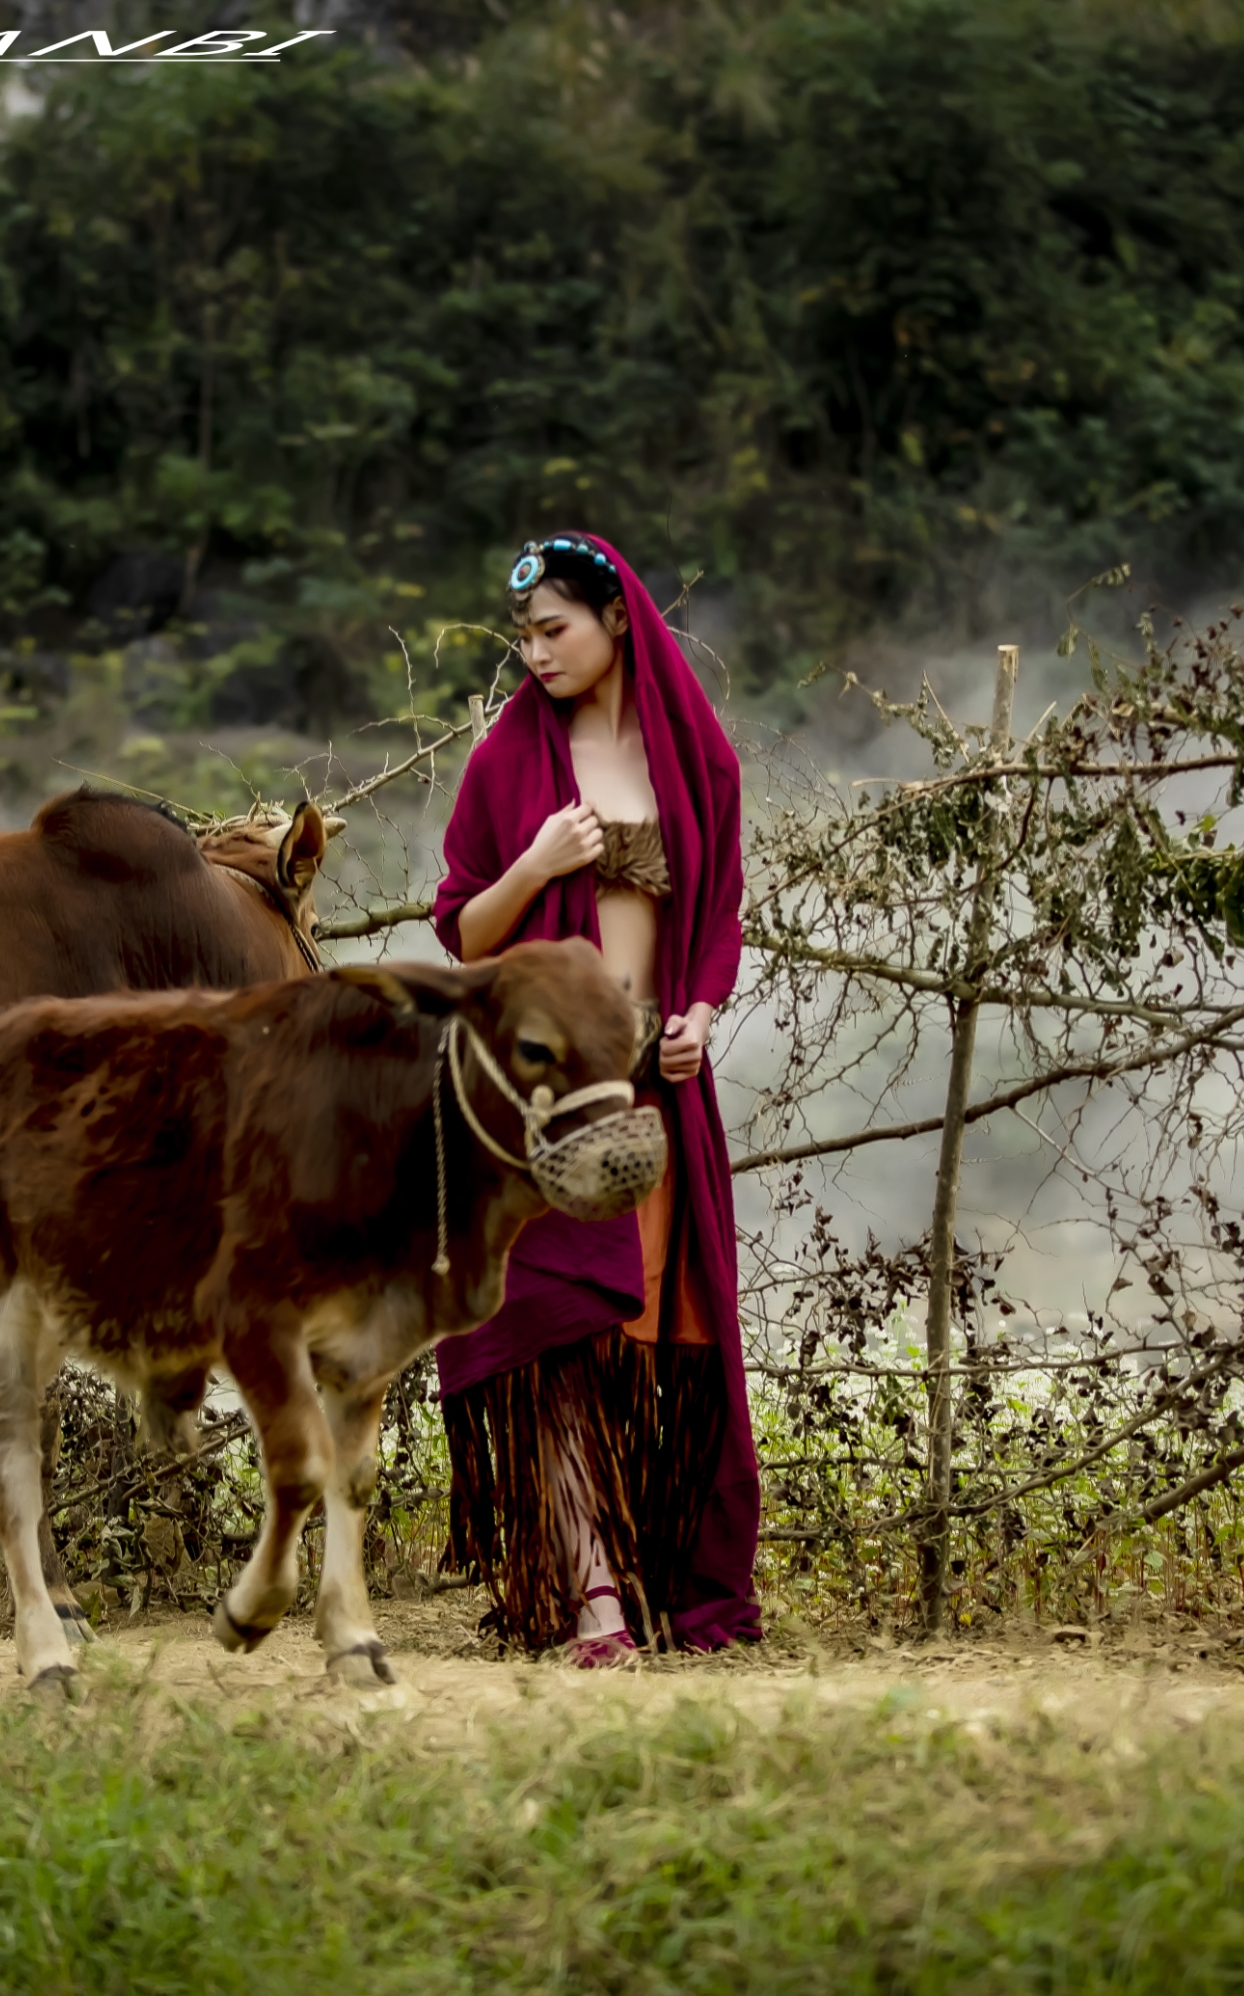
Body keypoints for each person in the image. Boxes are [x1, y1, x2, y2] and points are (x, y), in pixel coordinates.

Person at [429, 530, 763, 1662]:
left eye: (553, 631)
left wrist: (702, 1014)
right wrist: (536, 865)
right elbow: (464, 933)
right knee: (557, 1332)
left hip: (657, 1094)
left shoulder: (696, 760)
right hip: (544, 1104)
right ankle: (592, 1596)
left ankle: (658, 1576)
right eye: (521, 637)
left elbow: (714, 922)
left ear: (616, 618)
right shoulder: (507, 764)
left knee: (657, 1331)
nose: (534, 656)